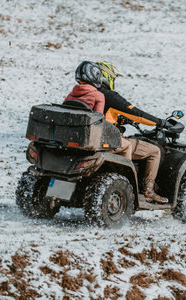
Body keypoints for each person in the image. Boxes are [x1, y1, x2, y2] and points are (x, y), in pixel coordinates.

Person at [65, 60, 169, 204]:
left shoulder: (77, 93)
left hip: (78, 139)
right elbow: (137, 114)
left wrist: (116, 121)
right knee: (154, 151)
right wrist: (161, 122)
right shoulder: (108, 95)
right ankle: (144, 190)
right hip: (105, 141)